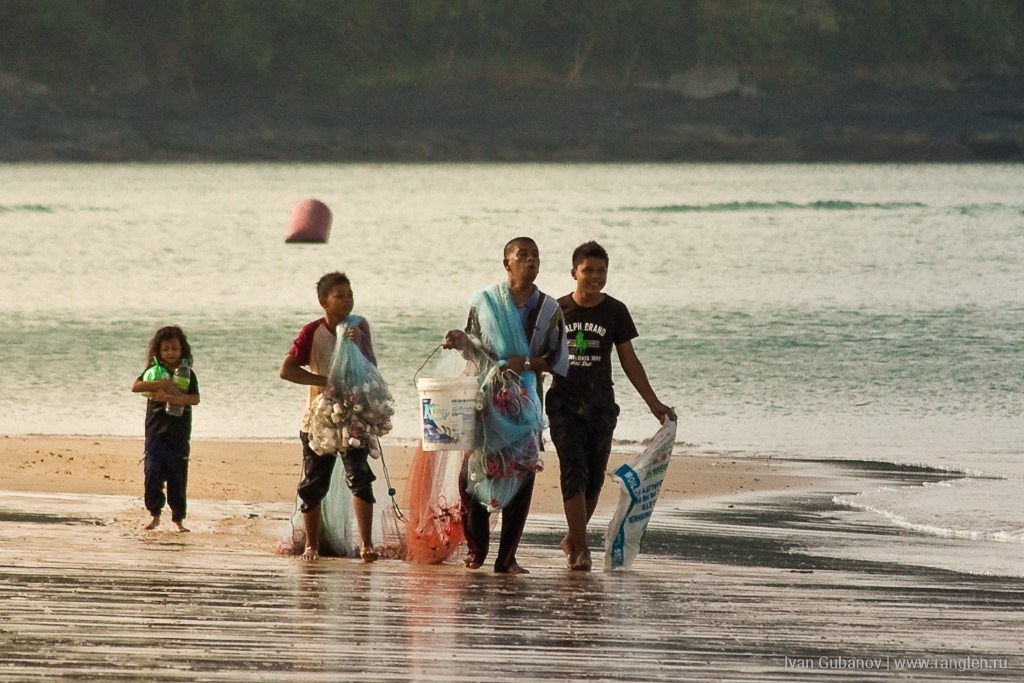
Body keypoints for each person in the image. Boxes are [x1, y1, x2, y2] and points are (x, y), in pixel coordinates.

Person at [547, 241, 676, 571]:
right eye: (588, 270)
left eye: (601, 271)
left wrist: (653, 402)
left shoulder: (615, 311)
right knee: (572, 471)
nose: (595, 277)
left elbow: (629, 360)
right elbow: (542, 358)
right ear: (573, 272)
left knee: (593, 480)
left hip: (601, 405)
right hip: (563, 403)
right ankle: (581, 548)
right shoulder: (556, 311)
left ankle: (573, 537)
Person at [443, 236, 568, 574]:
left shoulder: (549, 309)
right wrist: (458, 340)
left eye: (535, 256)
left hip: (525, 402)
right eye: (522, 255)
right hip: (486, 398)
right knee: (473, 469)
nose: (530, 261)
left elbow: (556, 360)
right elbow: (474, 346)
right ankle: (477, 549)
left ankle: (507, 557)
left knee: (523, 471)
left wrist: (524, 363)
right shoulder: (484, 302)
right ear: (507, 264)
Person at [279, 271, 380, 562]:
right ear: (324, 301)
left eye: (350, 295)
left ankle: (366, 544)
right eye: (340, 296)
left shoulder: (359, 325)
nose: (347, 300)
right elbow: (286, 370)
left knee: (360, 477)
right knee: (314, 482)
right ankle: (311, 545)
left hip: (353, 416)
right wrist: (324, 381)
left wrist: (359, 342)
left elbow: (372, 367)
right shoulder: (312, 332)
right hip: (319, 419)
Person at [131, 325, 201, 533]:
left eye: (174, 349)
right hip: (155, 434)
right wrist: (160, 383)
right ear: (158, 352)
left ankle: (178, 519)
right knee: (152, 474)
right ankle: (155, 514)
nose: (170, 353)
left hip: (179, 436)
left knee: (177, 479)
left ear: (182, 351)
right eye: (166, 349)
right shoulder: (154, 373)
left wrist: (171, 398)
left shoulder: (187, 375)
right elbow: (135, 386)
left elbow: (195, 399)